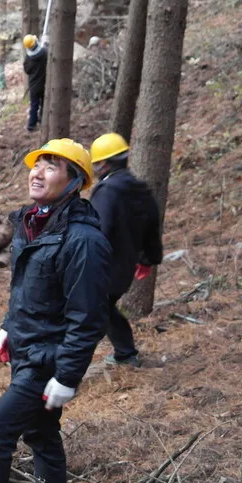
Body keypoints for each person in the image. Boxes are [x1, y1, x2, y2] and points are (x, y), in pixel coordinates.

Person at [0, 139, 110, 483]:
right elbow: (27, 291)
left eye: (51, 167)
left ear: (74, 181)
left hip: (47, 360)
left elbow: (88, 317)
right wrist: (7, 325)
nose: (37, 173)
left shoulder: (83, 240)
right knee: (41, 436)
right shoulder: (30, 225)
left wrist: (67, 376)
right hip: (25, 349)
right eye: (37, 165)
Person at [88, 133, 164, 367]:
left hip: (103, 267)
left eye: (95, 163)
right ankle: (126, 353)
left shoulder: (107, 191)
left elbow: (97, 231)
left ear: (104, 163)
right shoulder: (140, 188)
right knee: (104, 308)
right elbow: (152, 225)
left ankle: (68, 367)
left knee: (89, 312)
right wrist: (148, 259)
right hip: (124, 268)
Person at [23, 34, 48, 132]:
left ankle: (31, 125)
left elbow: (27, 70)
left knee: (34, 105)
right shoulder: (44, 53)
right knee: (44, 104)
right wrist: (46, 44)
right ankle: (42, 121)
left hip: (33, 86)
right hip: (44, 84)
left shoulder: (28, 58)